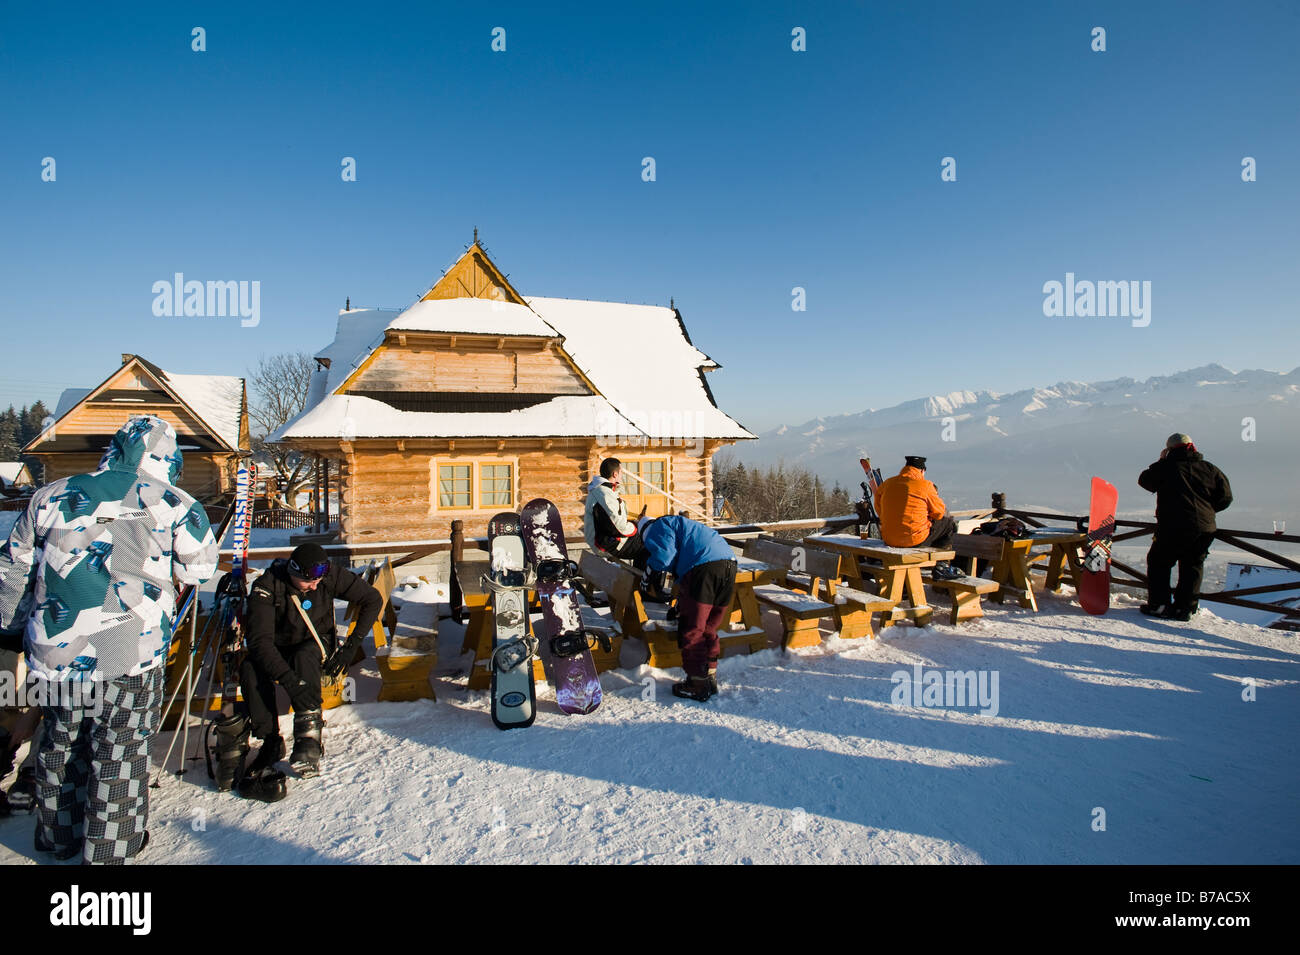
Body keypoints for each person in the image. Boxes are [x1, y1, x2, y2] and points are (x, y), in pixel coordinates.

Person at [0, 415, 218, 863]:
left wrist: (11, 628)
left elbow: (13, 572)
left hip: (58, 647)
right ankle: (108, 851)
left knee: (61, 740)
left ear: (116, 447)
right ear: (169, 455)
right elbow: (200, 569)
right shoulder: (178, 504)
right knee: (120, 748)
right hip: (130, 647)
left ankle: (57, 837)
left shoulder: (51, 495)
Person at [229, 543, 381, 787]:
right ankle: (270, 740)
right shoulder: (267, 588)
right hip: (274, 647)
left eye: (319, 580)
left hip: (312, 645)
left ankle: (308, 739)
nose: (315, 586)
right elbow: (260, 644)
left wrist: (350, 648)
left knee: (305, 655)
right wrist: (290, 681)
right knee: (250, 669)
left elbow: (372, 599)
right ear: (294, 573)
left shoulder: (326, 575)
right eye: (309, 582)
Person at [638, 515, 737, 701]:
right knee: (709, 626)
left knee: (692, 629)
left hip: (704, 568)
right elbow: (684, 576)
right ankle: (709, 677)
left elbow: (663, 557)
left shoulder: (658, 526)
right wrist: (680, 606)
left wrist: (648, 573)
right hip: (729, 563)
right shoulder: (682, 526)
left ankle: (697, 685)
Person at [1137, 433, 1232, 621]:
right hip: (1204, 528)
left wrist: (1160, 461)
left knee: (1159, 563)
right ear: (1192, 446)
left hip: (1171, 525)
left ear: (1169, 450)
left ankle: (1160, 605)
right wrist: (1207, 512)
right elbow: (1225, 497)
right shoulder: (1210, 469)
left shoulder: (1166, 467)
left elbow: (1145, 481)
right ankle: (1185, 609)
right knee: (1192, 566)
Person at [873, 455, 961, 579]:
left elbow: (879, 509)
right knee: (949, 524)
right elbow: (939, 513)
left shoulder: (888, 483)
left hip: (889, 539)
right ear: (922, 470)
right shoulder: (925, 486)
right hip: (914, 540)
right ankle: (942, 566)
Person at [583, 457, 645, 561]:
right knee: (650, 544)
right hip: (603, 544)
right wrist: (637, 525)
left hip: (606, 539)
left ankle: (640, 576)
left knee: (646, 540)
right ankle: (644, 577)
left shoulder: (606, 491)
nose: (622, 475)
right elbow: (618, 527)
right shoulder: (603, 494)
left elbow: (612, 520)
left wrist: (635, 522)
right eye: (621, 472)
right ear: (615, 474)